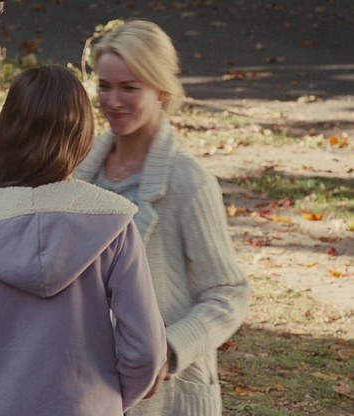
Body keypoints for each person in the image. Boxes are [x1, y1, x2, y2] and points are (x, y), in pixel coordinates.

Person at [0, 65, 167, 416]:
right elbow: (146, 349)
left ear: (8, 130)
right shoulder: (112, 223)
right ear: (82, 133)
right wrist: (106, 401)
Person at [74, 20, 252, 415]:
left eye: (129, 88)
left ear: (162, 91)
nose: (112, 101)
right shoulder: (77, 169)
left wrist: (168, 351)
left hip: (165, 399)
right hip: (86, 388)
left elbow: (229, 293)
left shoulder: (189, 182)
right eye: (104, 86)